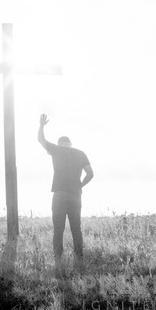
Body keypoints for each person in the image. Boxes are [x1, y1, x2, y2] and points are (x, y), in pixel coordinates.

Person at [38, 113, 93, 273]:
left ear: (60, 144)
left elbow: (41, 140)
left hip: (60, 195)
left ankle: (58, 260)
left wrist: (41, 125)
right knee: (77, 228)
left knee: (58, 229)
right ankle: (79, 259)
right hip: (75, 195)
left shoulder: (56, 150)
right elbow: (90, 173)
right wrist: (79, 185)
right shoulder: (80, 153)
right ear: (70, 144)